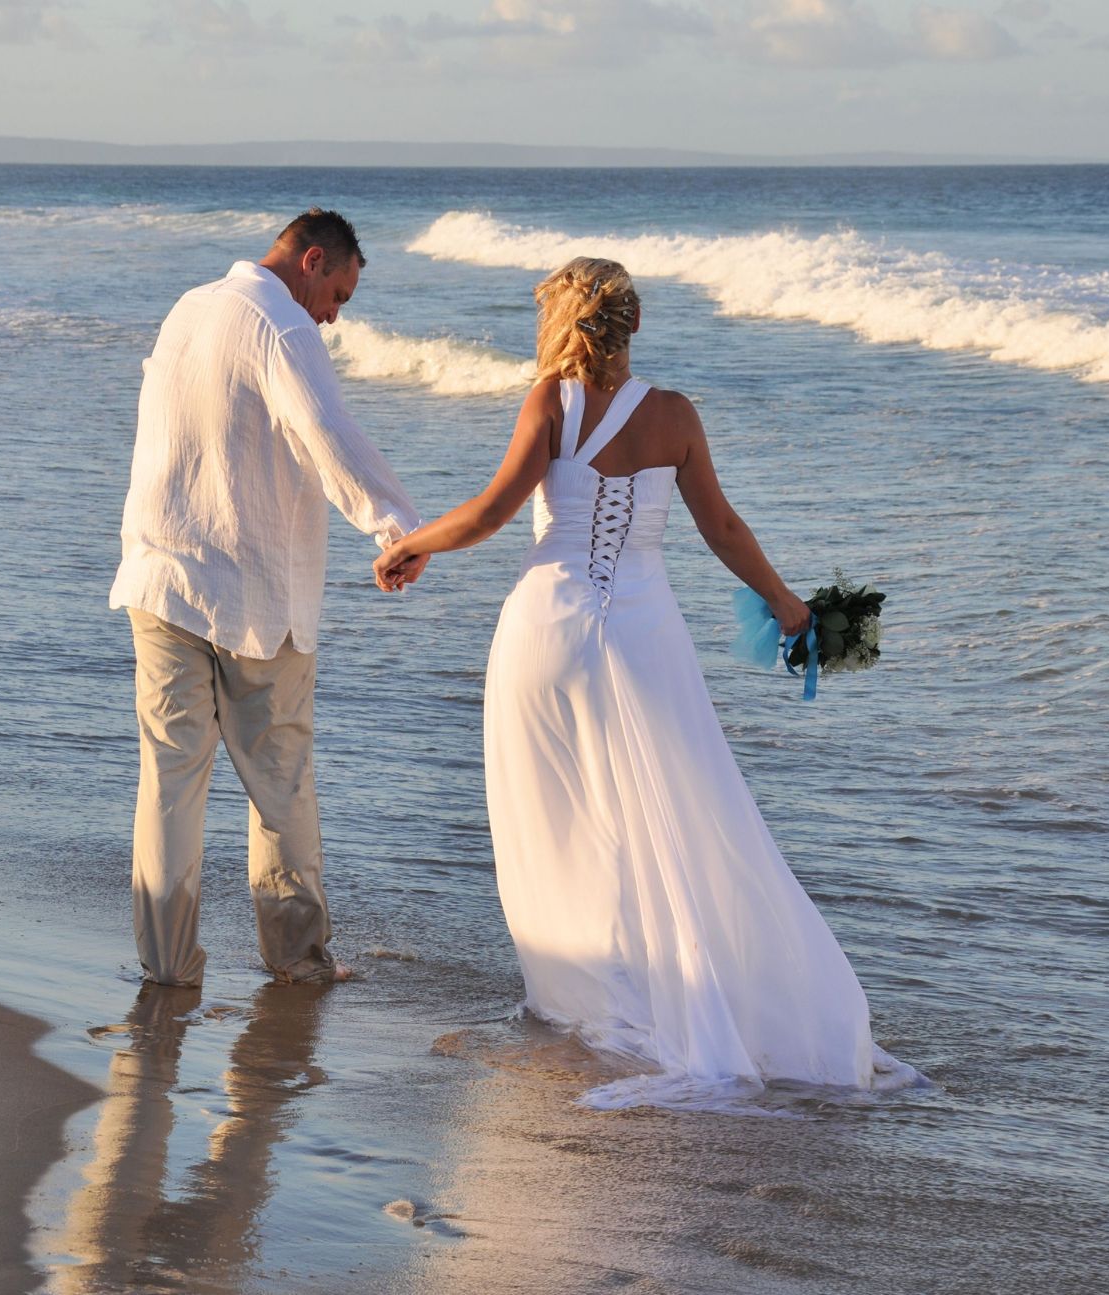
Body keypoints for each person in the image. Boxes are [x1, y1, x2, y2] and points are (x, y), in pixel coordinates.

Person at [374, 257, 918, 1108]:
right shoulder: (676, 416)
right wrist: (789, 607)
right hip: (643, 631)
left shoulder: (550, 403)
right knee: (684, 813)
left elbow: (488, 513)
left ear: (562, 323)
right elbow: (724, 528)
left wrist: (412, 545)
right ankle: (693, 993)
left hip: (545, 629)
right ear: (634, 325)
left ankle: (590, 998)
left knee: (561, 819)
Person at [111, 209, 422, 987]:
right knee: (279, 783)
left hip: (159, 574)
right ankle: (297, 961)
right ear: (312, 262)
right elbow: (327, 431)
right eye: (339, 293)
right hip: (252, 591)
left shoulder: (189, 306)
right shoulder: (282, 326)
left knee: (170, 781)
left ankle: (167, 967)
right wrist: (396, 530)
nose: (336, 314)